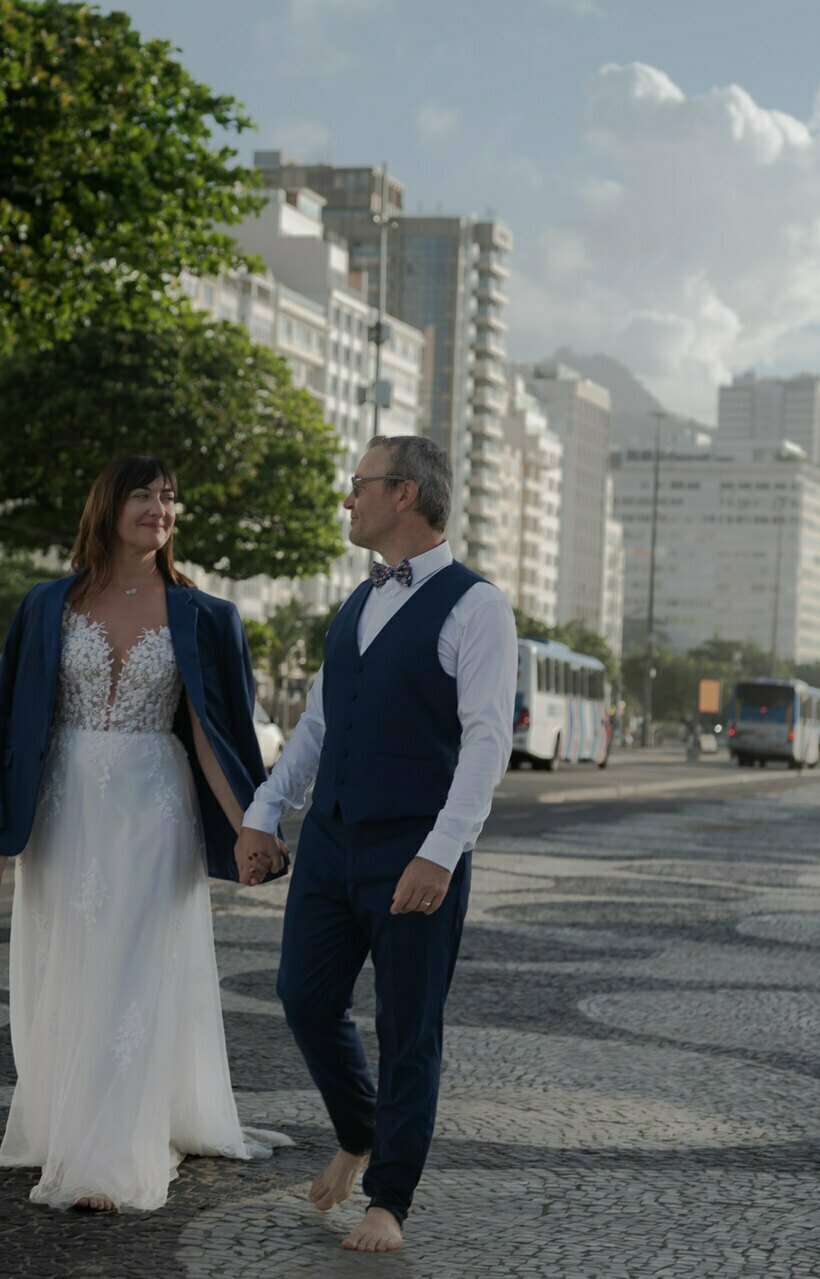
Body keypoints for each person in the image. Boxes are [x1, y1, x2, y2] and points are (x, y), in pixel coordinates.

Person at [0, 454, 289, 1214]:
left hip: (155, 806)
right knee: (73, 964)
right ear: (107, 504)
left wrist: (252, 827)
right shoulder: (47, 605)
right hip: (65, 807)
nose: (160, 507)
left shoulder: (206, 615)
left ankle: (114, 1155)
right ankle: (67, 1122)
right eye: (144, 493)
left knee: (134, 968)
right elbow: (12, 722)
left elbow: (216, 735)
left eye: (170, 497)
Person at [236, 434, 516, 1254]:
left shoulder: (477, 606)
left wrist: (443, 850)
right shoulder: (354, 604)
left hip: (415, 847)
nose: (346, 499)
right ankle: (358, 1130)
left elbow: (487, 741)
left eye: (357, 484)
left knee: (409, 1025)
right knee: (303, 995)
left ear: (405, 493)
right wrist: (264, 812)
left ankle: (389, 1197)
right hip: (330, 842)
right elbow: (317, 727)